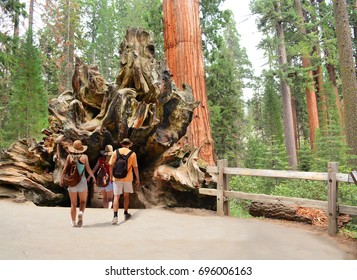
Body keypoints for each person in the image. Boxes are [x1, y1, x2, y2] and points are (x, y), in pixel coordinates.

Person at [60, 139, 95, 227]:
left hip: (72, 182)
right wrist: (93, 177)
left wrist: (61, 179)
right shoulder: (84, 157)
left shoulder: (69, 156)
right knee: (83, 201)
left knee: (73, 203)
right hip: (82, 180)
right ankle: (81, 212)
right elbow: (88, 169)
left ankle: (73, 221)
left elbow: (64, 169)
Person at [109, 138, 140, 224]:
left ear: (122, 144)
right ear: (129, 144)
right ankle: (126, 213)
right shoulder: (132, 154)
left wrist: (111, 176)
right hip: (128, 178)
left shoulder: (116, 152)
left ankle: (115, 217)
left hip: (117, 177)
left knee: (116, 196)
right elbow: (135, 168)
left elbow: (110, 165)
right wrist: (138, 179)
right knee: (126, 196)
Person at [91, 145, 114, 209]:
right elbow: (111, 170)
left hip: (101, 181)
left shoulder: (100, 160)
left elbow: (94, 169)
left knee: (104, 197)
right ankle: (108, 210)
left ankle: (105, 209)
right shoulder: (113, 160)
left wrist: (90, 177)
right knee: (110, 199)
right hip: (110, 181)